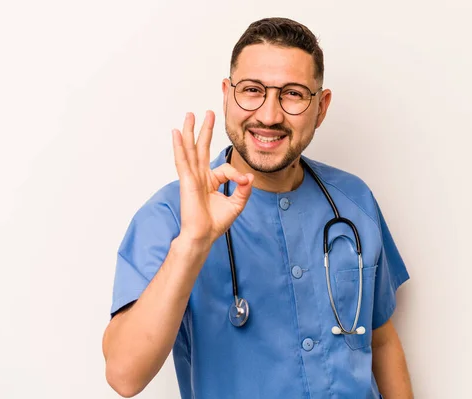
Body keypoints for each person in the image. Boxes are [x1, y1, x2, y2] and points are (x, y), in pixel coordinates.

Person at [102, 17, 413, 399]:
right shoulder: (170, 215)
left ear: (321, 106)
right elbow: (123, 375)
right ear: (227, 95)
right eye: (252, 90)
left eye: (294, 94)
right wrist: (194, 242)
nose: (269, 115)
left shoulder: (354, 201)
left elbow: (379, 339)